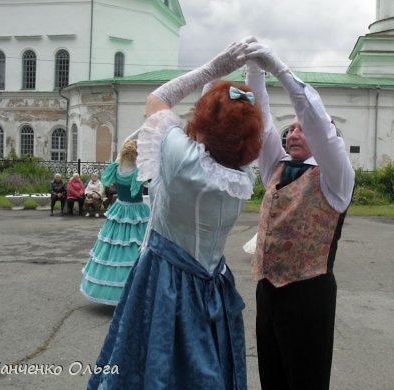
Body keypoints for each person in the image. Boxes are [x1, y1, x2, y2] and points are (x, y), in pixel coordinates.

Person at [87, 38, 262, 389]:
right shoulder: (242, 175)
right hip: (213, 279)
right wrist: (255, 74)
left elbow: (158, 99)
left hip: (166, 279)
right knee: (207, 364)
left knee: (153, 362)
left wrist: (213, 68)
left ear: (202, 121)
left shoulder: (183, 158)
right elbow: (249, 129)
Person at [243, 39, 355, 390]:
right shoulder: (275, 169)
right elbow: (260, 124)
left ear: (325, 139)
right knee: (272, 377)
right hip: (268, 289)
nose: (293, 132)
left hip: (310, 294)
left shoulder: (336, 178)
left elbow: (315, 119)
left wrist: (279, 69)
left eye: (300, 128)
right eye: (289, 129)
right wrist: (254, 71)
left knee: (306, 380)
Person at [80, 139, 150, 305]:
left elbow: (106, 181)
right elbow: (148, 181)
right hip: (136, 210)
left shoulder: (116, 168)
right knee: (136, 245)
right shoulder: (138, 170)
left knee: (114, 244)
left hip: (120, 208)